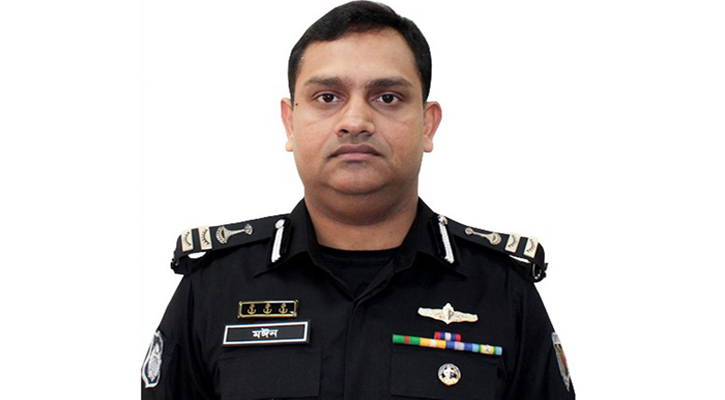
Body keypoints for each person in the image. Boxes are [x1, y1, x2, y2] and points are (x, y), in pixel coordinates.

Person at [142, 1, 574, 399]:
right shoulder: (215, 287)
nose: (355, 121)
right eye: (327, 97)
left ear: (428, 124)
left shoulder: (501, 291)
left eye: (387, 98)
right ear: (290, 122)